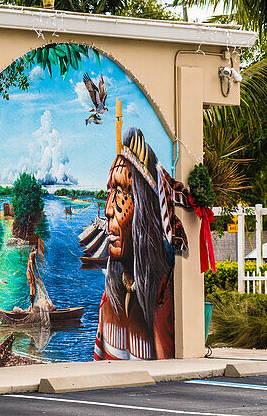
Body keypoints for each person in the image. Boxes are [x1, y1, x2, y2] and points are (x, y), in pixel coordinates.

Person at [94, 128, 184, 361]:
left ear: (145, 209)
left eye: (123, 191)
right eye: (111, 190)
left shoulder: (164, 296)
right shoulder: (110, 298)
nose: (108, 209)